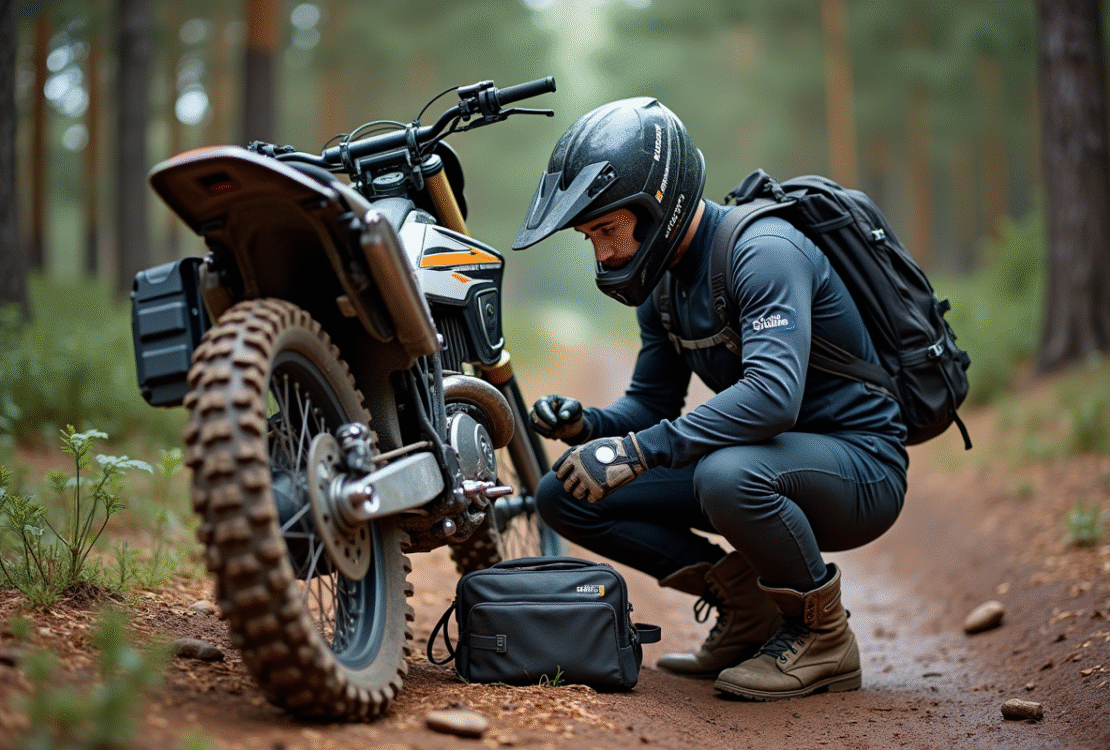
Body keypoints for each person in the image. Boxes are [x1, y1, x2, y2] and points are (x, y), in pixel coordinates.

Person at [511, 97, 908, 701]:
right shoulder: (663, 287)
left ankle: (824, 636)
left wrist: (637, 452)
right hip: (767, 458)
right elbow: (649, 406)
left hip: (861, 468)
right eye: (590, 237)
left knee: (729, 475)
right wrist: (587, 427)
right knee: (563, 493)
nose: (603, 254)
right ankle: (751, 611)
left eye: (608, 230)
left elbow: (772, 399)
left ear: (657, 204)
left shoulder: (763, 252)